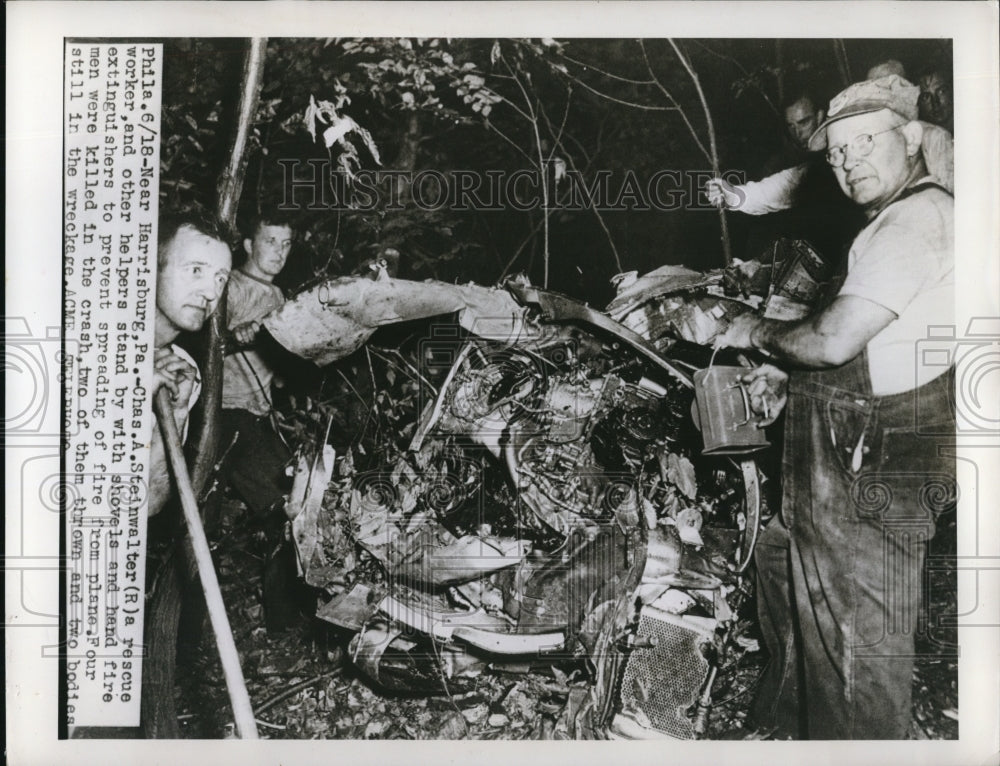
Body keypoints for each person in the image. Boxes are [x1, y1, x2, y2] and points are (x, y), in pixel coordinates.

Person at [716, 74, 955, 739]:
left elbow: (831, 340)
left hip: (871, 459)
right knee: (778, 555)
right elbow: (879, 346)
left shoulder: (915, 221)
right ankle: (788, 724)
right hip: (855, 449)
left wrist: (748, 334)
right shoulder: (898, 221)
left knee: (855, 627)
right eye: (837, 152)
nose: (848, 162)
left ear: (910, 138)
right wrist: (782, 379)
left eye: (864, 143)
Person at [705, 87, 867, 266]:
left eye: (803, 122)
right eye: (791, 126)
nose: (797, 133)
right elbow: (775, 190)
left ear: (820, 116)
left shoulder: (852, 159)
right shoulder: (798, 165)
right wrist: (731, 193)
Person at [149, 213, 233, 517]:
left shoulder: (181, 370)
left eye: (220, 278)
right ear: (150, 267)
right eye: (196, 270)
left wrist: (178, 411)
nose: (211, 293)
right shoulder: (86, 340)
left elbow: (148, 504)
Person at [219, 211, 296, 518]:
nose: (280, 251)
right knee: (281, 504)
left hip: (261, 415)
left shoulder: (278, 296)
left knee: (299, 488)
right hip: (227, 414)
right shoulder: (231, 286)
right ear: (249, 245)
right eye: (271, 241)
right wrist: (233, 335)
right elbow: (199, 344)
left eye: (287, 243)